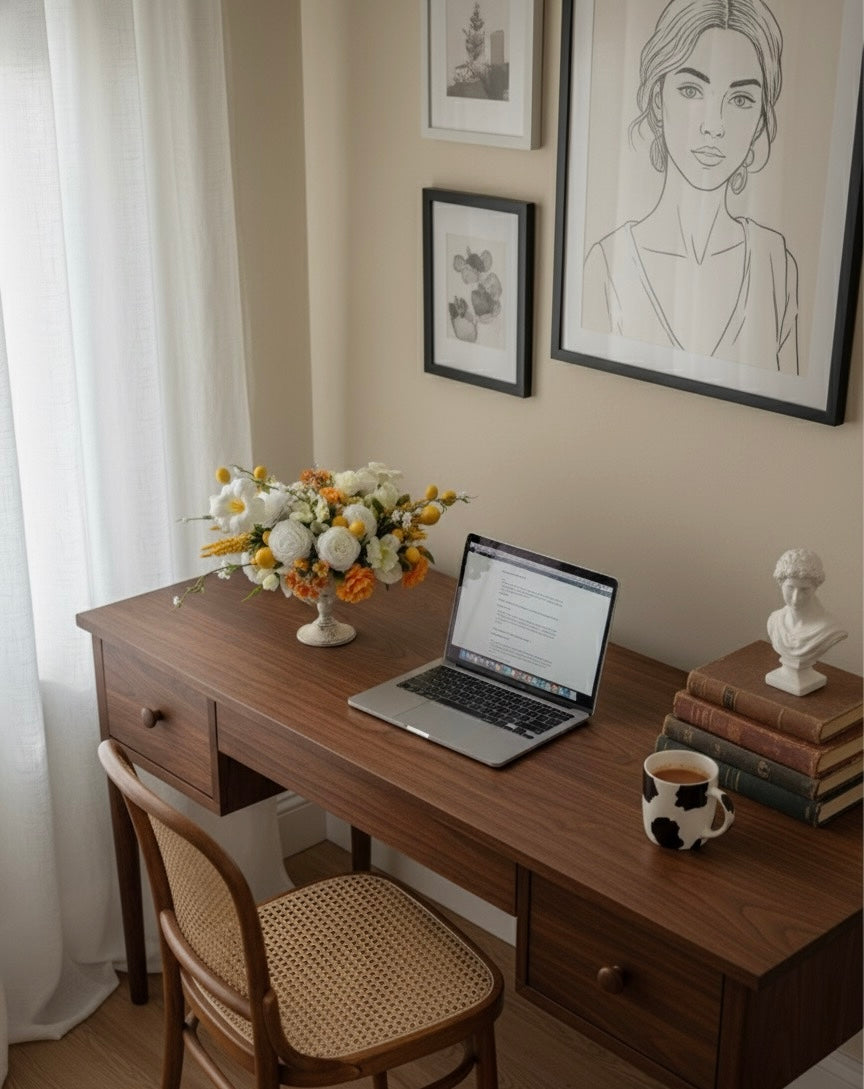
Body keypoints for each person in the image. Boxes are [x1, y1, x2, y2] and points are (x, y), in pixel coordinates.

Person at [582, 0, 798, 372]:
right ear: (658, 101)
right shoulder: (605, 264)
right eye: (691, 90)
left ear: (760, 123)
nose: (713, 125)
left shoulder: (775, 262)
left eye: (741, 99)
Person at [765, 549, 847, 695]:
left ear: (815, 587)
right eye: (790, 588)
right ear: (781, 584)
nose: (796, 598)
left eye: (804, 590)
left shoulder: (830, 629)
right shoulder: (774, 621)